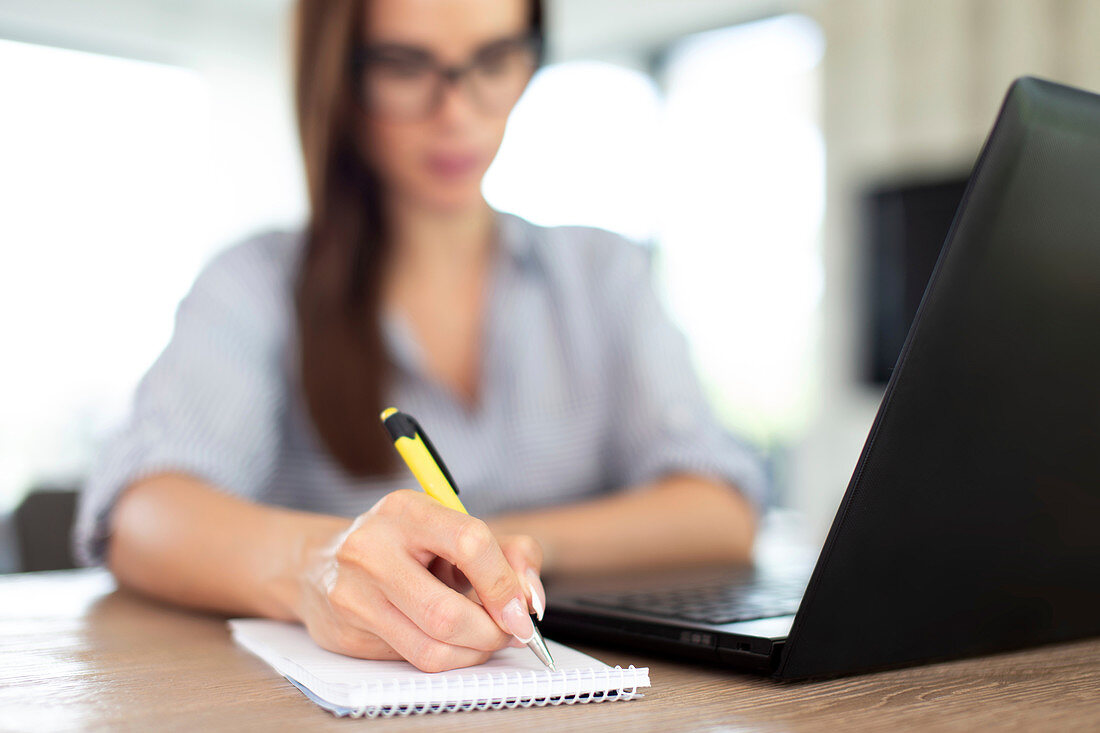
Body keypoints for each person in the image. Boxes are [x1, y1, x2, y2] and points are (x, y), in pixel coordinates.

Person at [73, 0, 765, 673]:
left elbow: (720, 508)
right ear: (339, 75)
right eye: (406, 66)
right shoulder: (255, 282)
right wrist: (316, 563)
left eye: (494, 59)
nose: (457, 112)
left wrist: (502, 547)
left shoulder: (603, 273)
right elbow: (140, 511)